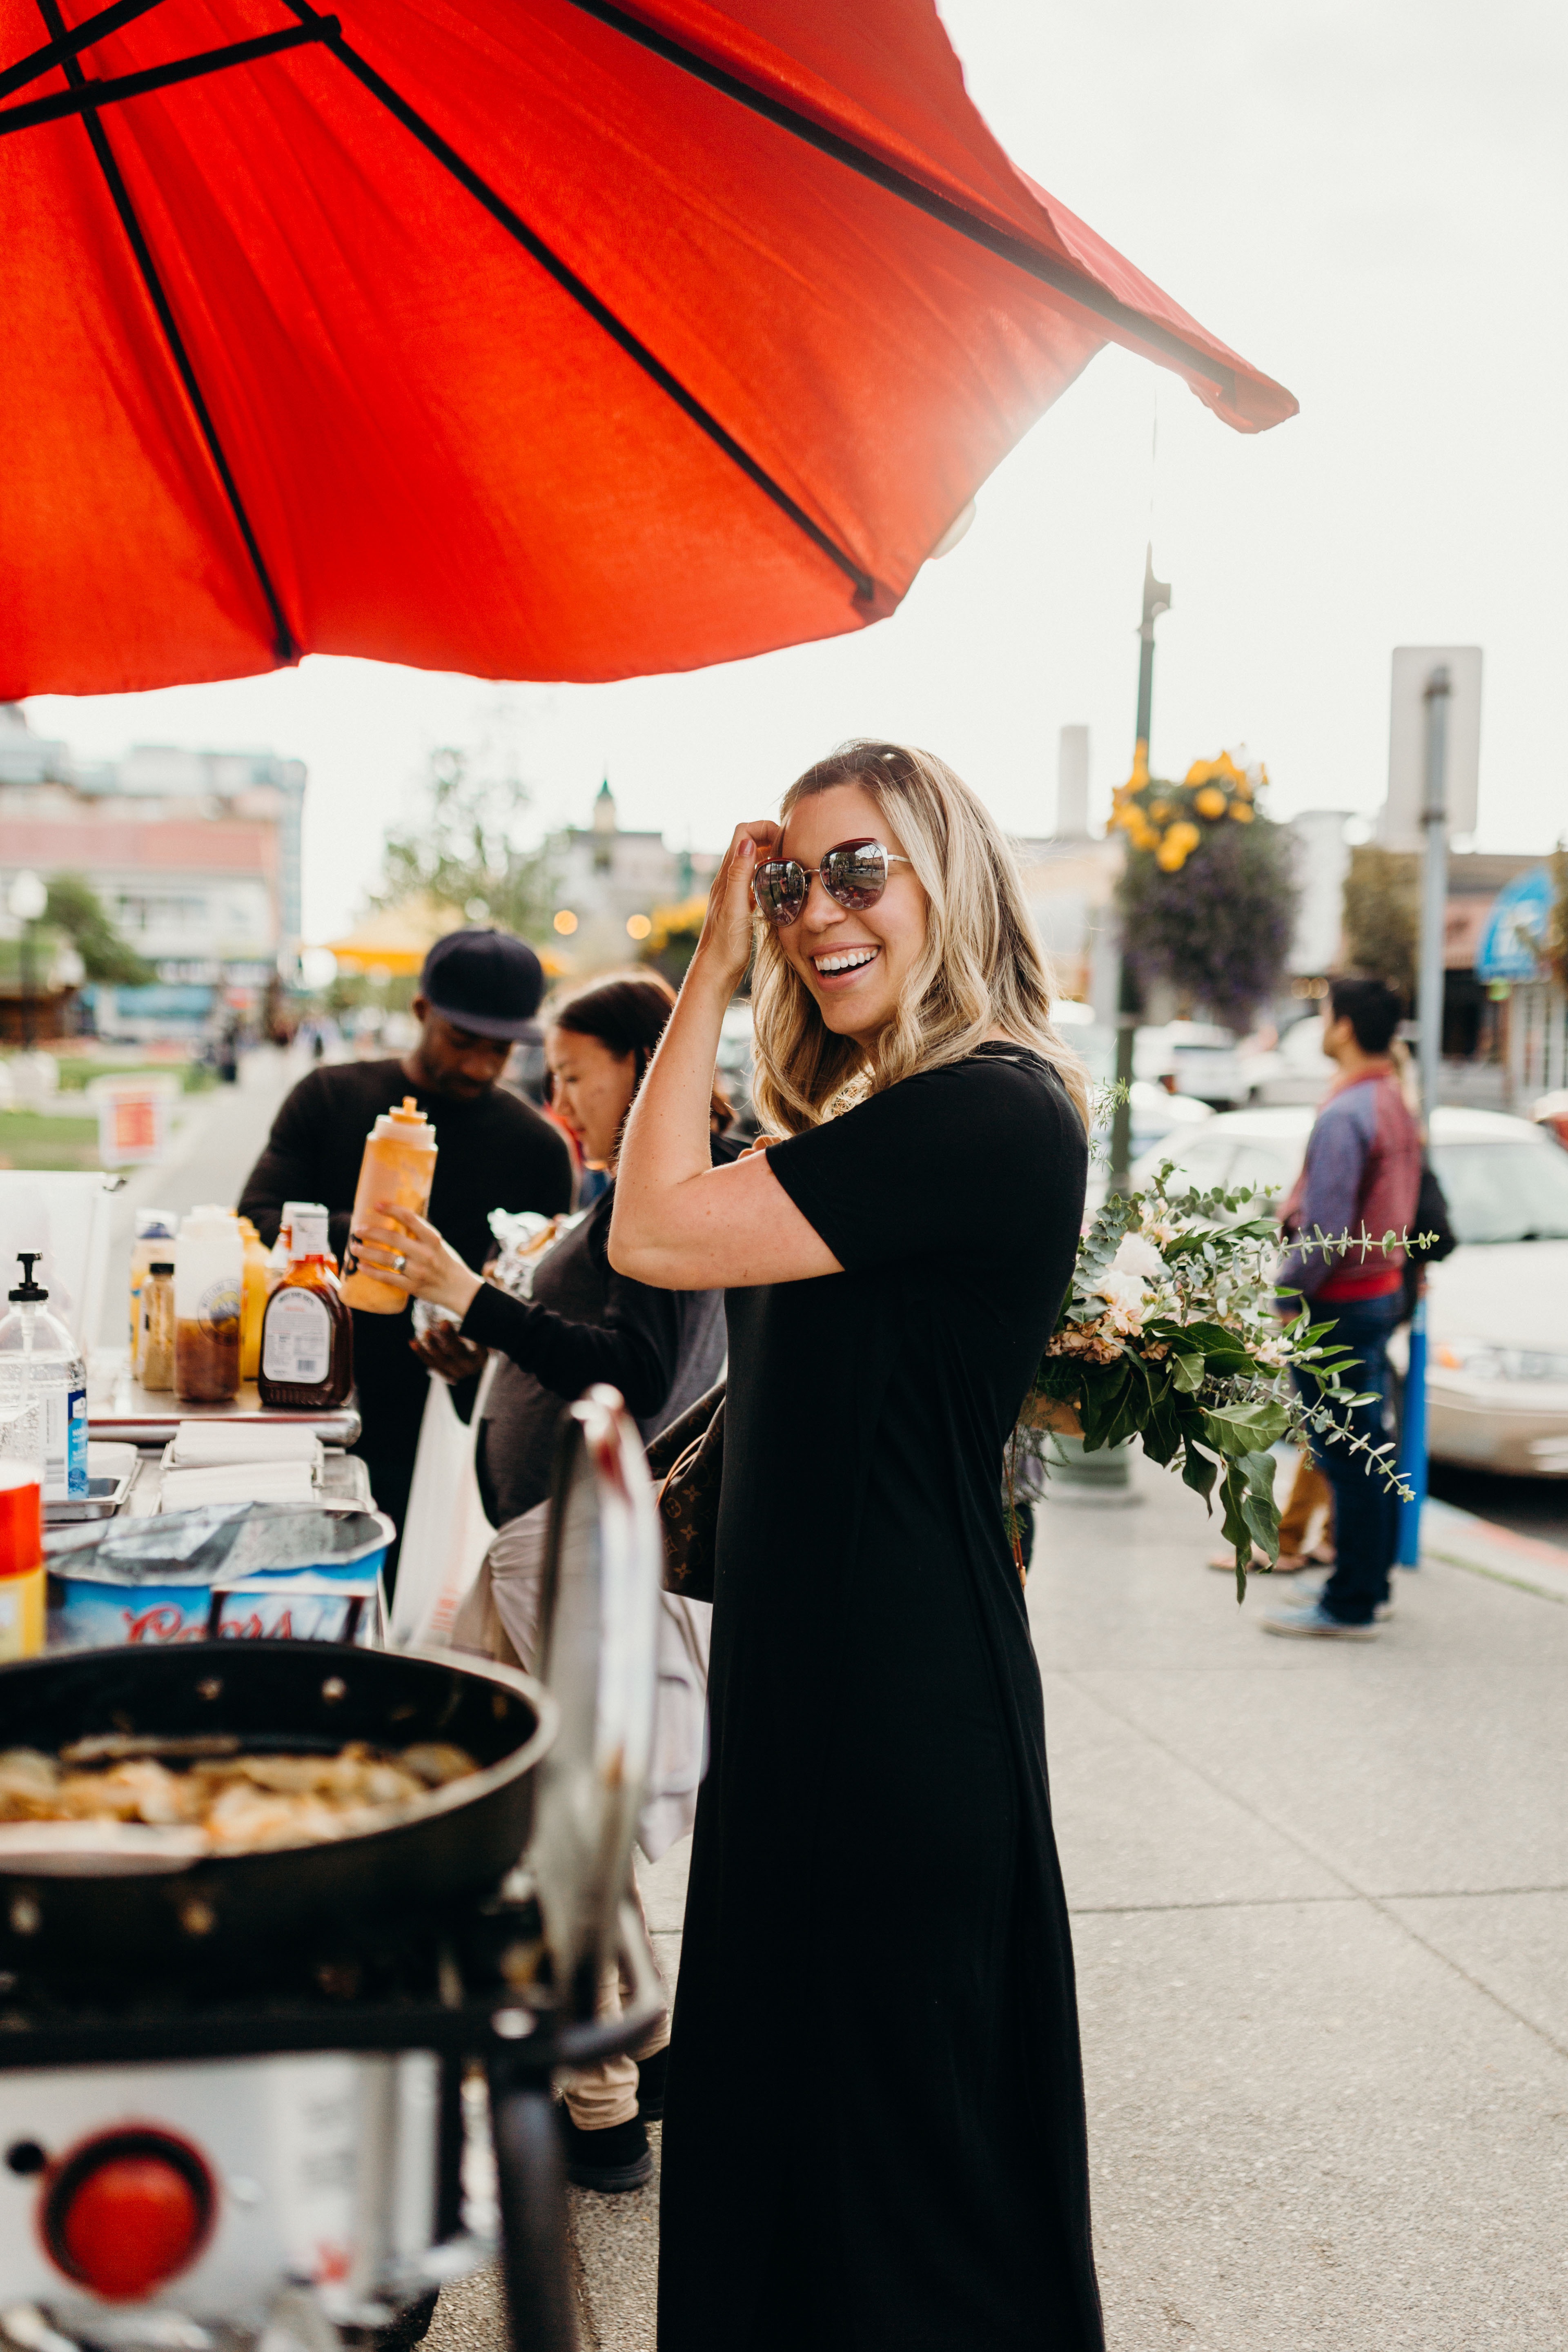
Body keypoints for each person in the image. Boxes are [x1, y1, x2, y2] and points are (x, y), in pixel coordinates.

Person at [610, 741, 1104, 2352]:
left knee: (899, 2203)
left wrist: (708, 956)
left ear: (946, 877)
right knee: (799, 2165)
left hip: (897, 1724)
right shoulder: (891, 1124)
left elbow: (652, 1223)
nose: (818, 911)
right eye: (787, 880)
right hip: (809, 1705)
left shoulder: (993, 1109)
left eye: (857, 870)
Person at [351, 970, 736, 2196]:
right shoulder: (636, 1191)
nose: (558, 1099)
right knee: (530, 1791)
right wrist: (475, 1342)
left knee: (535, 1801)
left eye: (575, 1075)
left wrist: (474, 1295)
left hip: (579, 1546)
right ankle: (653, 2048)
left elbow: (626, 1361)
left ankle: (602, 2101)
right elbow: (561, 1356)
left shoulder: (663, 1194)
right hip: (548, 1541)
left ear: (642, 1060)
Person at [238, 929, 573, 1562]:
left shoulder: (538, 1148)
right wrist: (372, 1237)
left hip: (451, 1417)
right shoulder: (331, 1096)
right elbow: (256, 1216)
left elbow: (544, 1292)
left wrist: (484, 1342)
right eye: (462, 1040)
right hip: (312, 1393)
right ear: (421, 1011)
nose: (479, 1064)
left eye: (500, 1049)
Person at [1263, 973, 1422, 1639]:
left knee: (1347, 1453)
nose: (1323, 1025)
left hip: (1340, 1306)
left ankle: (1350, 1601)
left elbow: (1324, 1231)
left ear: (1346, 1026)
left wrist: (1285, 1294)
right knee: (1371, 1449)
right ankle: (1369, 1585)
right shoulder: (1392, 1100)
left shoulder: (1348, 1113)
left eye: (1327, 1014)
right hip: (1378, 1295)